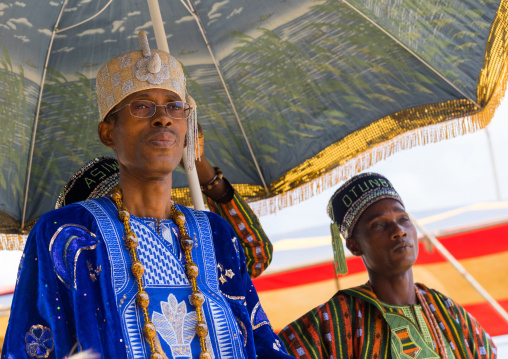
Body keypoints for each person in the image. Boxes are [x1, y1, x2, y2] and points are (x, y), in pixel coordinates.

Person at [2, 31, 293, 359]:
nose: (163, 117)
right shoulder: (68, 234)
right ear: (108, 131)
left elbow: (261, 344)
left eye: (174, 106)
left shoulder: (215, 234)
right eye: (142, 106)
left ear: (187, 127)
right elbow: (32, 346)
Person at [279, 173, 497, 358]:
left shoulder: (448, 312)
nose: (399, 231)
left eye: (403, 219)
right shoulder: (332, 321)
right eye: (379, 225)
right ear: (354, 245)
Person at [54, 138, 272, 280]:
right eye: (118, 204)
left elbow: (255, 254)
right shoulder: (93, 287)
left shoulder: (192, 254)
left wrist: (200, 168)